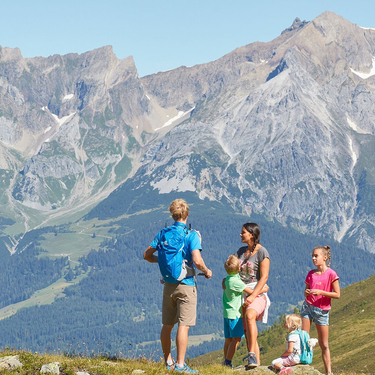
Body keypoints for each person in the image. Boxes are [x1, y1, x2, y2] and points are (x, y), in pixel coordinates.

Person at [143, 199, 212, 374]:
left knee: (167, 325)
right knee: (184, 325)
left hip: (168, 285)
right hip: (186, 284)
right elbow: (196, 260)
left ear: (172, 214)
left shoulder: (163, 233)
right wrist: (207, 270)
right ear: (187, 214)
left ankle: (168, 361)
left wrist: (161, 260)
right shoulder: (191, 234)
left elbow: (147, 255)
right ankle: (181, 365)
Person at [223, 254, 269, 369]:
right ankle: (227, 362)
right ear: (239, 268)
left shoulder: (229, 279)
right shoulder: (237, 282)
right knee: (236, 339)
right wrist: (264, 289)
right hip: (235, 314)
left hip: (227, 314)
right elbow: (250, 291)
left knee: (228, 339)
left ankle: (226, 361)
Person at [301, 245, 340, 375]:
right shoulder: (311, 274)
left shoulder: (331, 274)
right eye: (312, 256)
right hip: (308, 307)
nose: (313, 258)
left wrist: (321, 292)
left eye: (316, 256)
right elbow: (306, 291)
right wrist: (307, 293)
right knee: (303, 338)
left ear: (325, 257)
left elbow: (337, 294)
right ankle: (303, 366)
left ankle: (328, 372)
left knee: (324, 344)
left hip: (322, 311)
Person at [237, 222, 270, 369]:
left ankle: (251, 354)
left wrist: (253, 295)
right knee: (247, 331)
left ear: (252, 234)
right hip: (241, 294)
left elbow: (264, 277)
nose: (240, 234)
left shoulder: (262, 252)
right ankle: (257, 365)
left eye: (243, 232)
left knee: (250, 316)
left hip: (256, 293)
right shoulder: (241, 251)